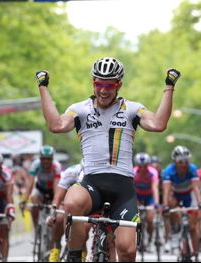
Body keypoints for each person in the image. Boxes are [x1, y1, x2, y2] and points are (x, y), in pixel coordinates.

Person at [35, 56, 180, 262]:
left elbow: (158, 124)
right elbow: (56, 125)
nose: (103, 90)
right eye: (99, 84)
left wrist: (169, 87)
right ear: (93, 83)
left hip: (123, 188)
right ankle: (76, 255)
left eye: (109, 85)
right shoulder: (81, 109)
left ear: (118, 85)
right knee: (72, 202)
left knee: (127, 250)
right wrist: (43, 88)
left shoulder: (131, 108)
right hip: (92, 182)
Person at [162, 145, 201, 259]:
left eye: (186, 161)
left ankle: (196, 253)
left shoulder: (192, 169)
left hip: (188, 196)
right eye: (180, 162)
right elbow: (166, 191)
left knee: (192, 227)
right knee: (170, 203)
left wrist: (200, 203)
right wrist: (165, 206)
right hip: (175, 196)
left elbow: (196, 188)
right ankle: (175, 231)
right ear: (175, 161)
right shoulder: (168, 171)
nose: (184, 164)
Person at [19, 145, 62, 244]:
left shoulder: (56, 166)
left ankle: (53, 236)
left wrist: (56, 203)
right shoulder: (35, 165)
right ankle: (37, 229)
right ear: (40, 158)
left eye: (48, 159)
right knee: (34, 200)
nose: (46, 161)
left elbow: (56, 187)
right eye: (43, 159)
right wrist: (24, 200)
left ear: (52, 159)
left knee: (56, 210)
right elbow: (30, 185)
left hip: (52, 191)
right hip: (40, 190)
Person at [133, 152, 159, 250]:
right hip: (138, 196)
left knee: (150, 218)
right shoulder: (133, 172)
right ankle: (138, 239)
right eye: (140, 166)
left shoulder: (153, 172)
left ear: (148, 165)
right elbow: (131, 189)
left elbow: (155, 188)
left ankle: (150, 240)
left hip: (149, 197)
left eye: (145, 166)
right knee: (135, 219)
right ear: (137, 165)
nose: (143, 168)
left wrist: (156, 203)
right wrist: (134, 202)